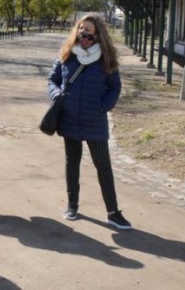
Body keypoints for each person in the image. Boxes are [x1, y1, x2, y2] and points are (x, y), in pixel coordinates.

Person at [47, 13, 131, 230]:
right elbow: (53, 80)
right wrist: (56, 95)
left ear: (98, 35)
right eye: (81, 29)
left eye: (89, 31)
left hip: (95, 120)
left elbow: (115, 87)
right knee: (72, 163)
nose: (83, 34)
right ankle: (72, 205)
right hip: (69, 118)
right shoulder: (67, 53)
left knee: (103, 166)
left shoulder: (106, 57)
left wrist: (103, 107)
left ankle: (113, 212)